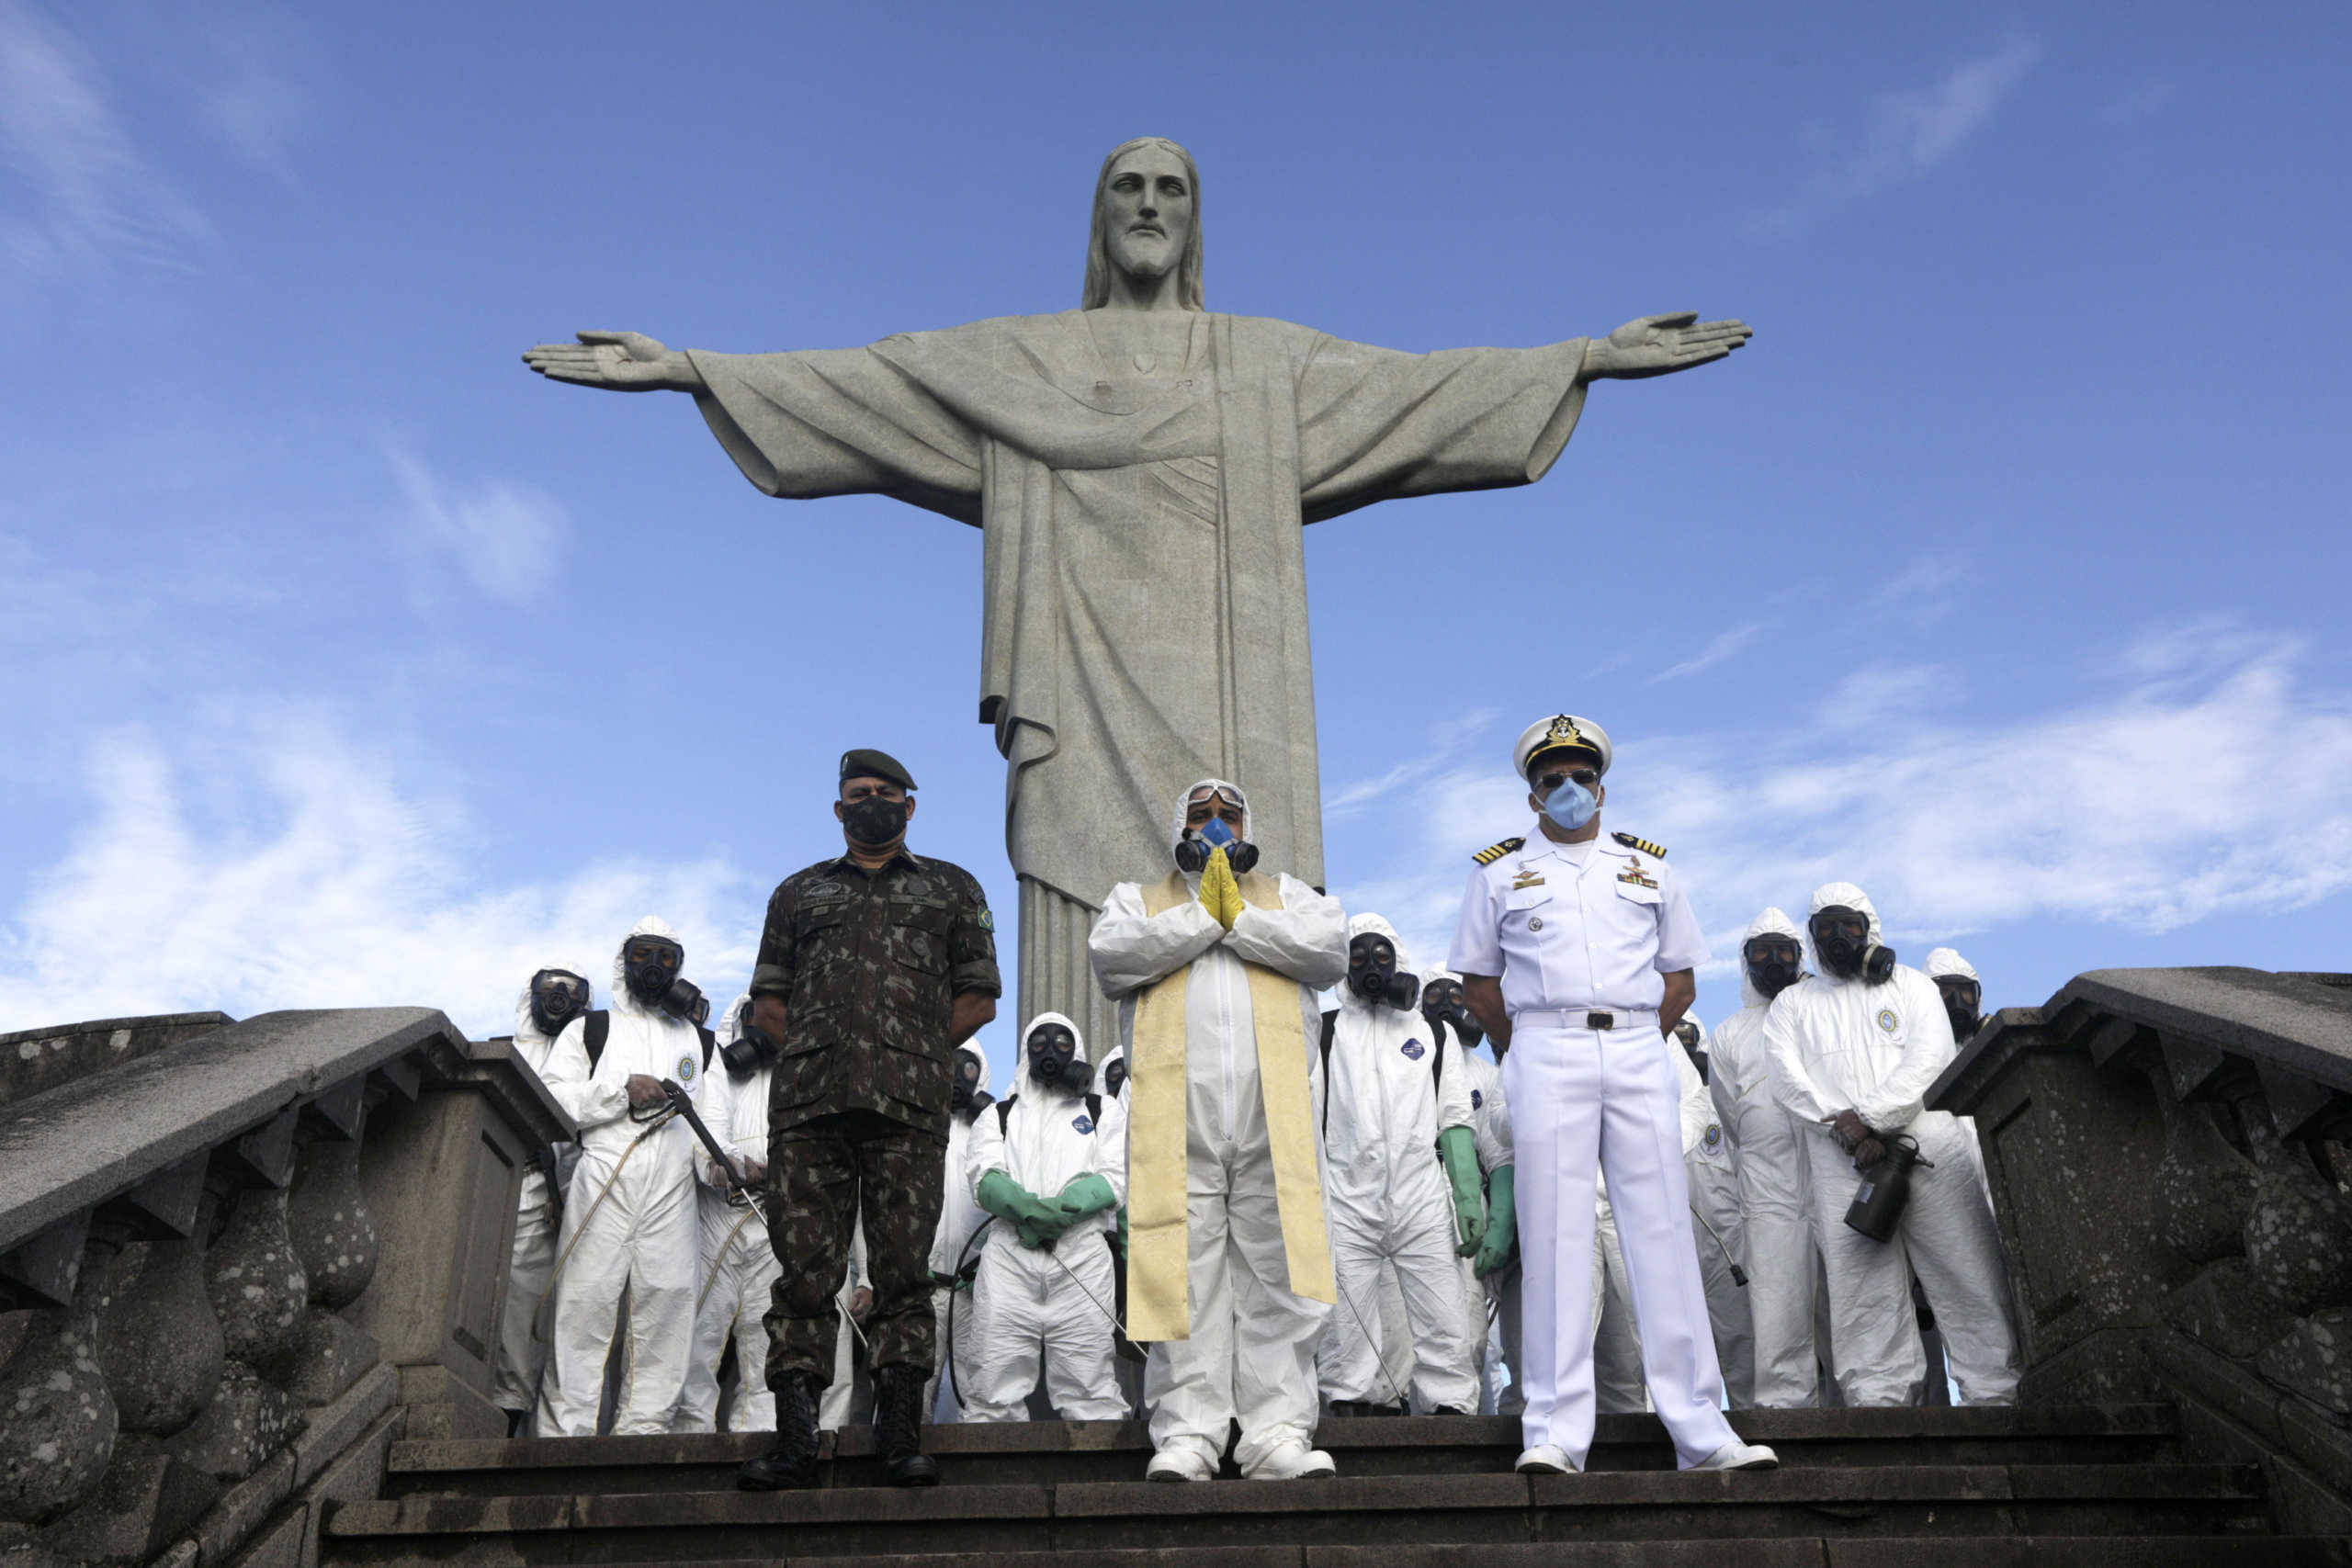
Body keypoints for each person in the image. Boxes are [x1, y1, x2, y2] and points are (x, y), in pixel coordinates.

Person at [1451, 715, 1775, 1476]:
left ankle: (1700, 1427)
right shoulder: (1497, 871)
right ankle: (1555, 1431)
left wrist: (1632, 1038)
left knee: (1661, 1232)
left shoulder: (1650, 866)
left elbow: (1682, 979)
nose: (1567, 789)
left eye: (1580, 776)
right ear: (1531, 794)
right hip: (1545, 1042)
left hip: (1637, 1041)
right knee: (1557, 1236)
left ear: (1602, 784)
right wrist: (1527, 1045)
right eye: (1550, 778)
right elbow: (1477, 982)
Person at [736, 750, 1001, 1490]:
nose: (872, 803)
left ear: (909, 808)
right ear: (838, 808)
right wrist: (828, 1056)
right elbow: (769, 1005)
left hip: (908, 1108)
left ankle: (899, 1438)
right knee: (803, 1277)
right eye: (859, 794)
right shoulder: (798, 892)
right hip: (809, 1109)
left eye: (886, 794)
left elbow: (979, 997)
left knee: (902, 1275)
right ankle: (794, 1441)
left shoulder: (952, 888)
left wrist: (904, 1052)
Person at [1089, 778, 1347, 1481]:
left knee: (1279, 1277)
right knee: (1183, 1276)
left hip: (1275, 1118)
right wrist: (1208, 913)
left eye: (1228, 816)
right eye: (1200, 816)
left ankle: (1275, 1434)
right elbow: (1114, 958)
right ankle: (1189, 1435)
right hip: (1179, 1121)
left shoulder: (1288, 893)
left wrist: (1242, 918)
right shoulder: (1136, 900)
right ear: (1179, 827)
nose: (1215, 826)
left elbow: (1329, 952)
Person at [1761, 884, 2021, 1406]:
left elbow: (1931, 1057)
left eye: (1850, 925)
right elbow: (1786, 1080)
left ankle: (1995, 1394)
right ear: (1812, 935)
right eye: (1827, 926)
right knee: (1863, 1289)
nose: (1839, 936)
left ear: (1870, 928)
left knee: (1966, 1273)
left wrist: (1872, 1119)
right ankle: (1879, 1401)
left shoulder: (1911, 986)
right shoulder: (1792, 1004)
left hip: (1927, 1147)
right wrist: (1843, 1126)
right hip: (1841, 1157)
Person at [534, 919, 708, 1437]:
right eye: (643, 955)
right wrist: (618, 1091)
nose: (654, 968)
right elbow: (551, 1102)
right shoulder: (591, 1029)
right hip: (606, 1175)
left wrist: (719, 1165)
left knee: (669, 1301)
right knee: (584, 1302)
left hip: (674, 1188)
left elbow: (709, 1122)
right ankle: (567, 1431)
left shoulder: (699, 1042)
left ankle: (645, 1429)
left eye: (667, 958)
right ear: (624, 960)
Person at [1318, 915, 1484, 1416]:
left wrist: (1467, 1195)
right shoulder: (1326, 1031)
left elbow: (1454, 1117)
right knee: (1347, 1315)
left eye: (1382, 956)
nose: (1372, 966)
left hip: (1421, 1198)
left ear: (1401, 961)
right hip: (1347, 1197)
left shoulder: (1433, 1033)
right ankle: (1350, 1401)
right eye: (1359, 956)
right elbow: (1308, 1118)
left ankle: (1451, 1405)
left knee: (1443, 1311)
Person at [961, 1012, 1129, 1421]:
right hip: (1008, 1257)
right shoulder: (999, 1114)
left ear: (1078, 1052)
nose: (1050, 1051)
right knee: (992, 1374)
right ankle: (988, 1476)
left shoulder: (1102, 1110)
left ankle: (1096, 1476)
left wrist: (1064, 1210)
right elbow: (984, 1177)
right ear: (1025, 1051)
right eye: (1039, 1043)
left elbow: (1116, 1175)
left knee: (1088, 1377)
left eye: (1061, 1042)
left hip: (1082, 1256)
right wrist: (1028, 1211)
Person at [1705, 909, 1829, 1407]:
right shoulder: (1730, 1032)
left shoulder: (1820, 1010)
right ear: (1746, 961)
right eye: (1762, 952)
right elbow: (1729, 1112)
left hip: (1829, 1170)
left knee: (1850, 1299)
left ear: (1801, 957)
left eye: (1785, 951)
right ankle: (1786, 1411)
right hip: (1767, 1184)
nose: (1774, 962)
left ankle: (1865, 1406)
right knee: (1779, 1304)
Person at [491, 961, 592, 1434]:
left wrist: (565, 1192)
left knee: (541, 1311)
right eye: (552, 988)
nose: (560, 998)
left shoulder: (589, 1061)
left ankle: (518, 1411)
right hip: (501, 1181)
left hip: (564, 1198)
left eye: (572, 992)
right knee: (504, 1298)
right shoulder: (503, 1052)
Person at [672, 996, 778, 1434]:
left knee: (766, 1343)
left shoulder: (797, 1076)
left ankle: (757, 1441)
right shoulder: (714, 1064)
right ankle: (688, 1438)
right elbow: (706, 1127)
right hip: (719, 1220)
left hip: (775, 1224)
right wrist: (731, 1163)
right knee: (700, 1338)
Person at [1674, 1016, 1755, 1407]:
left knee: (1741, 1340)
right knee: (1676, 1349)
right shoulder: (1644, 1099)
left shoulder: (1719, 1102)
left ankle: (1752, 1423)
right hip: (1671, 1243)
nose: (1679, 1042)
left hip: (1726, 1243)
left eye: (1684, 1034)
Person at [926, 1043, 995, 1421]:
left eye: (966, 1069)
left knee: (979, 1388)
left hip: (973, 1287)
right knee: (914, 1386)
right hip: (923, 1287)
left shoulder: (990, 1131)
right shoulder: (917, 1126)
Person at [1924, 948, 1985, 1047]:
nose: (1957, 1001)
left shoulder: (1992, 1048)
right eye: (1944, 990)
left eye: (1964, 990)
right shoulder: (1906, 1052)